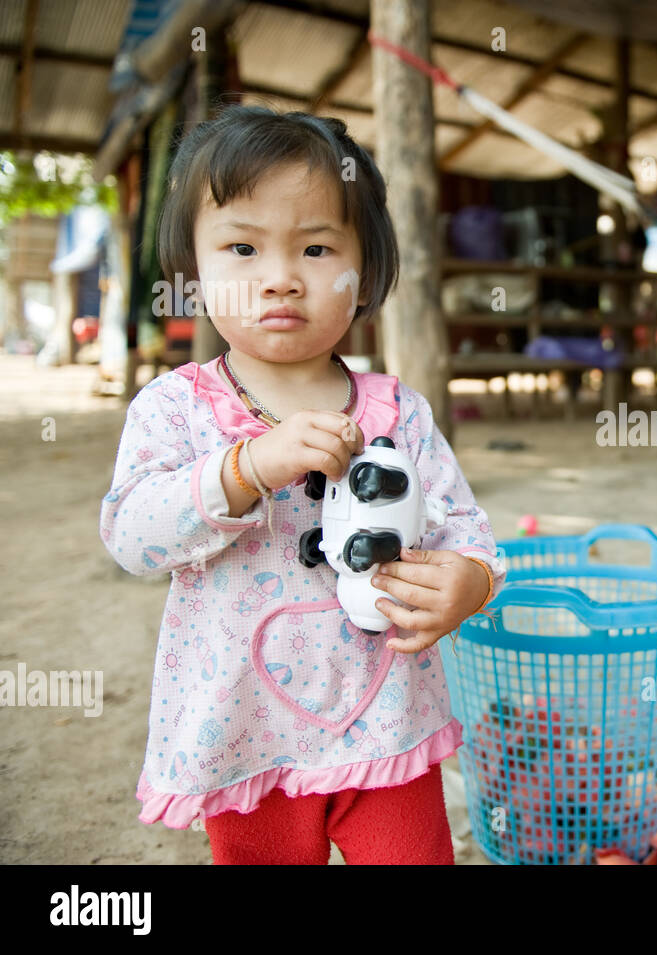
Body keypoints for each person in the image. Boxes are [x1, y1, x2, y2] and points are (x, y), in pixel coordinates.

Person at [99, 107, 505, 864]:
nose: (281, 278)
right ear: (192, 268)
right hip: (247, 733)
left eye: (316, 247)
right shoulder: (177, 409)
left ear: (367, 269)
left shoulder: (397, 412)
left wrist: (470, 583)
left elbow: (464, 529)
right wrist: (248, 466)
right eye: (242, 247)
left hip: (385, 721)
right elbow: (133, 536)